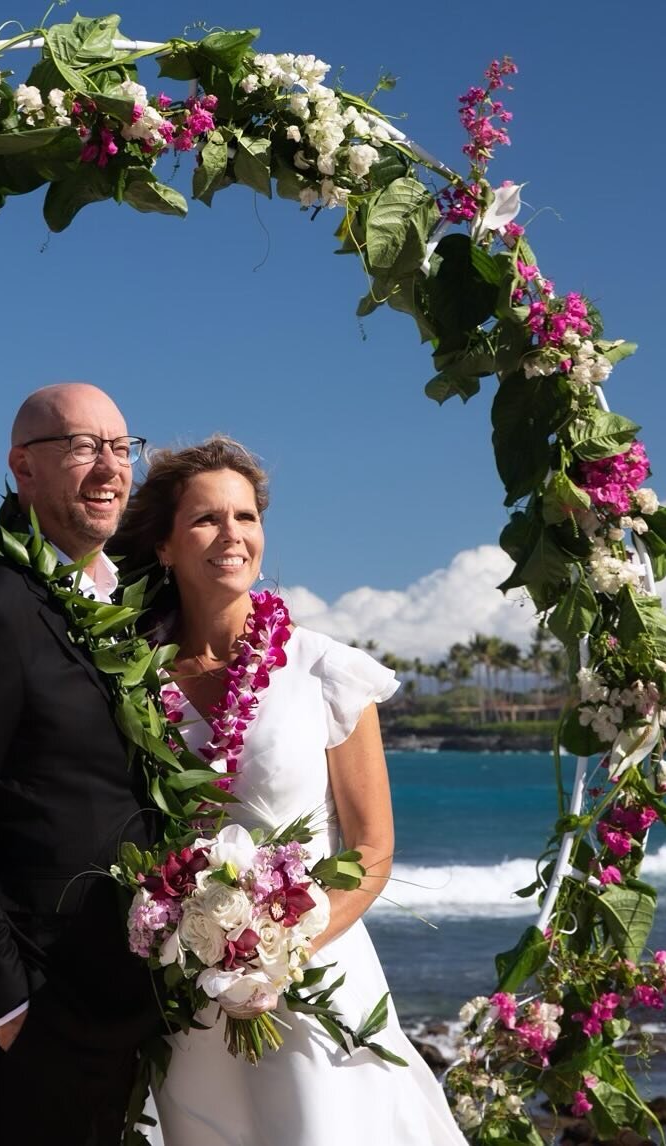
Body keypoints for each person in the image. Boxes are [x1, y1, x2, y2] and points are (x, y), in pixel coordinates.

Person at [112, 436, 469, 1145]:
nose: (232, 535)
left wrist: (279, 955)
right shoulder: (134, 683)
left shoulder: (327, 671)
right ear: (164, 545)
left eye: (246, 517)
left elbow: (371, 851)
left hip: (316, 980)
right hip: (191, 998)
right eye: (207, 519)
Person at [0, 382, 160, 1145]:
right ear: (24, 468)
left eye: (122, 447)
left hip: (119, 995)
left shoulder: (126, 613)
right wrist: (9, 1007)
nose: (110, 467)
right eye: (83, 446)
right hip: (36, 1013)